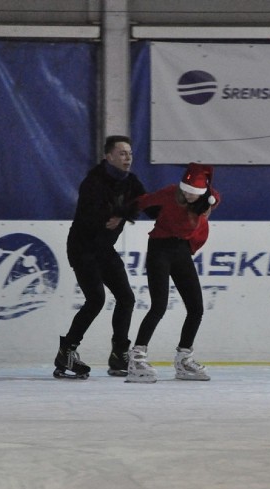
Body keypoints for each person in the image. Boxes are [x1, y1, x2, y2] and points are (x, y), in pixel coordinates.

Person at [54, 135, 146, 379]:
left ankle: (119, 355)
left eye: (130, 153)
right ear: (109, 157)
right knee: (95, 299)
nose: (128, 158)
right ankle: (67, 351)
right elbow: (94, 218)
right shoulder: (93, 182)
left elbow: (144, 203)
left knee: (126, 298)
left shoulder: (131, 182)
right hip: (83, 248)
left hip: (104, 249)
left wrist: (189, 203)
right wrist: (119, 214)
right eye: (122, 153)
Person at [126, 162, 221, 383]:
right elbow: (142, 201)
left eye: (192, 193)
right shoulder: (171, 193)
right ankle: (137, 358)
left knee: (196, 308)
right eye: (185, 191)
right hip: (160, 247)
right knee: (159, 305)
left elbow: (215, 196)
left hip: (182, 251)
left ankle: (184, 359)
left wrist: (212, 201)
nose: (187, 196)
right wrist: (121, 214)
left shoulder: (207, 198)